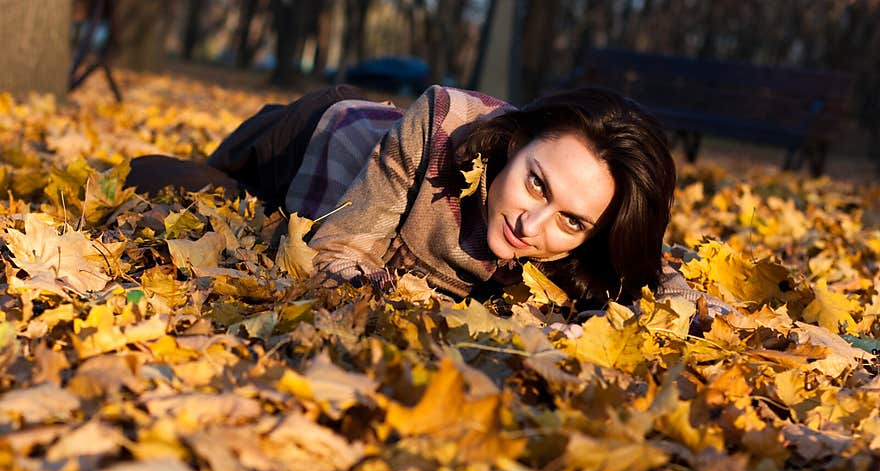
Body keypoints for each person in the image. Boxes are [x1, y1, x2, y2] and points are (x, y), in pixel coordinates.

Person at [126, 83, 730, 319]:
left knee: (247, 206)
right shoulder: (441, 123)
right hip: (323, 134)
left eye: (571, 221)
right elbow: (341, 247)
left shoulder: (586, 245)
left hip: (337, 175)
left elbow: (660, 283)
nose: (531, 224)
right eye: (536, 183)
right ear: (514, 143)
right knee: (182, 178)